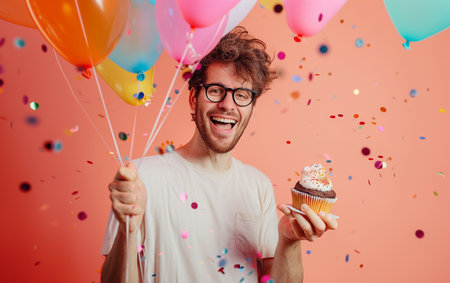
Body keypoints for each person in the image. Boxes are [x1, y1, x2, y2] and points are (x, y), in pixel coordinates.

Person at [100, 27, 338, 283]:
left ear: (251, 110)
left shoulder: (258, 186)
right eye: (216, 90)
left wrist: (289, 241)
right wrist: (128, 230)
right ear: (194, 98)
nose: (228, 104)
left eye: (242, 95)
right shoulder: (141, 178)